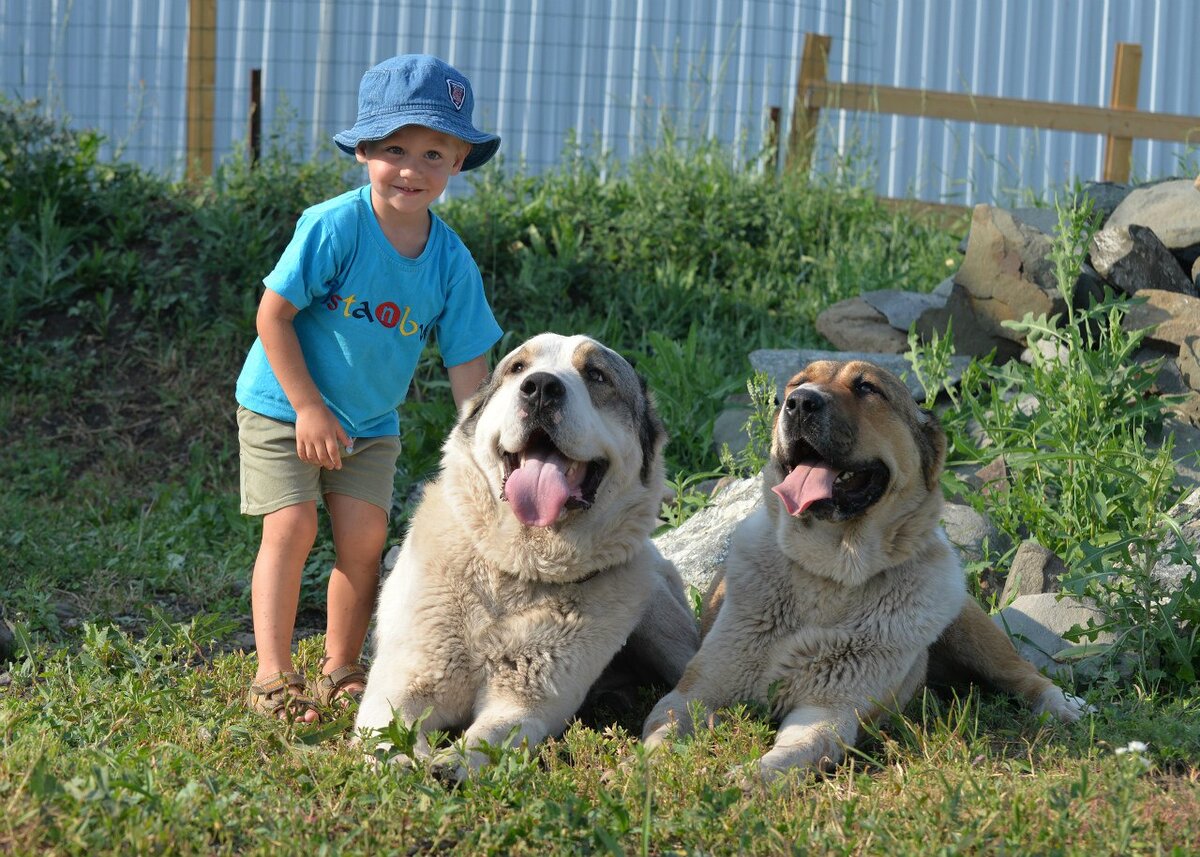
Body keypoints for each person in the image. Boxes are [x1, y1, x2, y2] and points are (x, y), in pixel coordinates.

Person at [236, 54, 503, 722]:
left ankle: (341, 667)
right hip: (282, 404)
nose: (411, 169)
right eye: (394, 149)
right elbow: (273, 314)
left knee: (363, 542)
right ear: (363, 150)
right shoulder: (335, 226)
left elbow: (471, 366)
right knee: (292, 527)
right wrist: (306, 407)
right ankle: (272, 675)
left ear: (459, 161)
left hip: (369, 423)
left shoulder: (449, 259)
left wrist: (485, 449)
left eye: (433, 153)